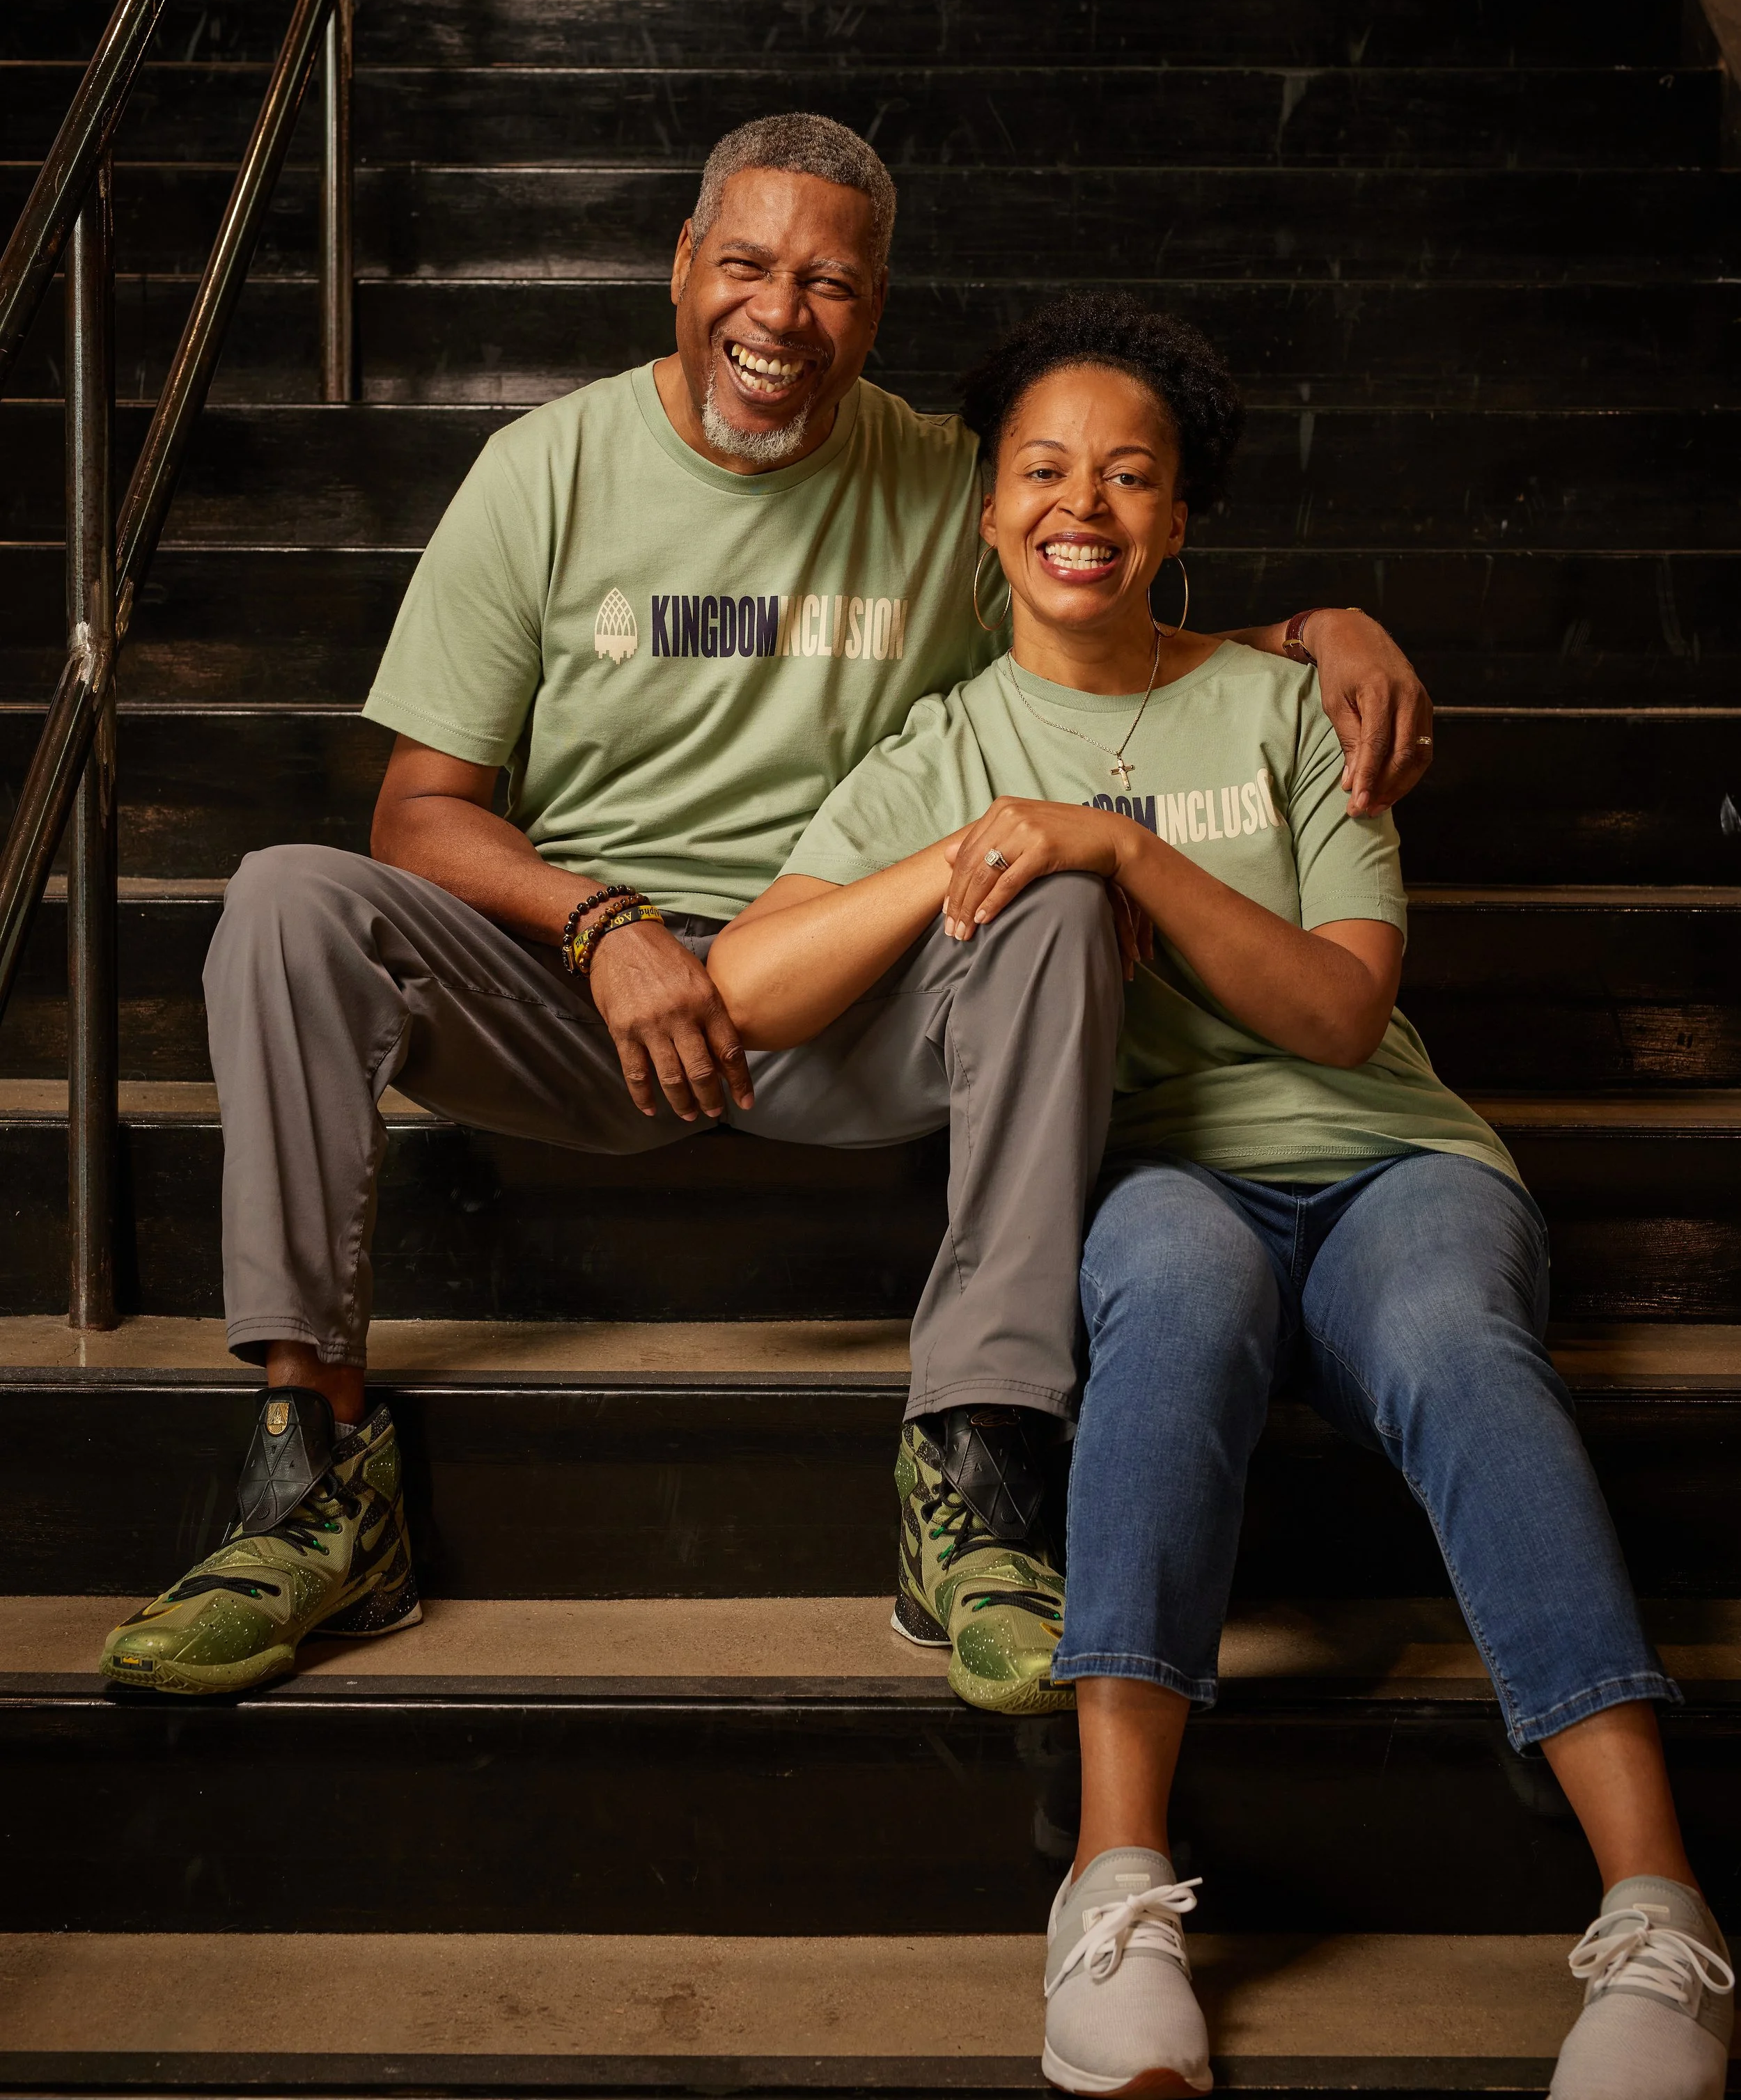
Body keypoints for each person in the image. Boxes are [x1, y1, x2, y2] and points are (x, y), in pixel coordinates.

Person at [101, 116, 1432, 1711]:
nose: (777, 315)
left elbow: (1101, 579)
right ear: (681, 268)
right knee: (288, 899)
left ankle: (979, 1470)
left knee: (1060, 903)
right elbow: (418, 812)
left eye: (829, 283)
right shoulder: (545, 470)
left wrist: (1316, 624)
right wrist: (602, 927)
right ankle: (312, 1472)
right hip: (579, 999)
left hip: (850, 1001)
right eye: (744, 265)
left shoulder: (946, 476)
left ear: (875, 314)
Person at [704, 293, 1733, 2100]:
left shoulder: (1293, 700)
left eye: (1129, 471)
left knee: (1453, 1340)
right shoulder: (944, 742)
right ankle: (1112, 1891)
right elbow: (750, 983)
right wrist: (966, 849)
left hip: (1390, 1159)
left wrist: (1111, 841)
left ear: (1181, 519)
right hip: (1161, 1176)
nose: (1080, 499)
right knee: (1164, 1301)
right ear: (987, 512)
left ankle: (1658, 1915)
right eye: (1041, 467)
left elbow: (1341, 1007)